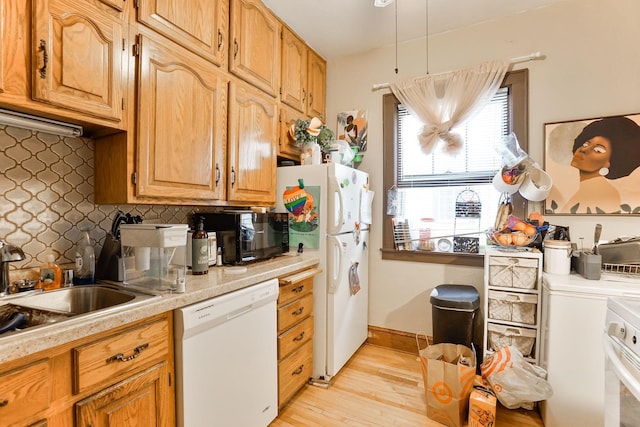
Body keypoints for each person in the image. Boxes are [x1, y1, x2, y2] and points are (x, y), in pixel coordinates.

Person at [562, 116, 640, 213]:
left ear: (610, 162)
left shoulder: (603, 193)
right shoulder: (586, 188)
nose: (584, 149)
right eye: (586, 144)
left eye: (598, 150)